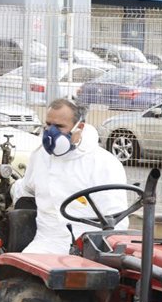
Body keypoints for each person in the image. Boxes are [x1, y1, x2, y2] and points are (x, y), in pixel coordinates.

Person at [10, 98, 130, 254]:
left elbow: (116, 221)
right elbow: (25, 188)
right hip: (45, 243)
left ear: (79, 127)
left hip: (87, 247)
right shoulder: (40, 156)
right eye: (48, 125)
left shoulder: (104, 163)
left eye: (59, 127)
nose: (51, 133)